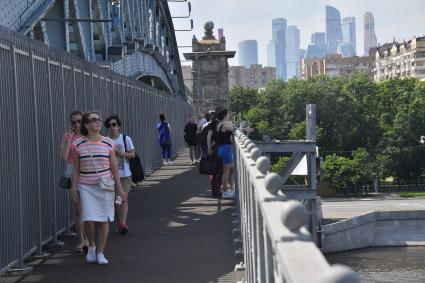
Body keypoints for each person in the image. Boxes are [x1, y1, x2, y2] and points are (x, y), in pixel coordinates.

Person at [70, 111, 125, 265]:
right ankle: (92, 246)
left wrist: (119, 188)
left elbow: (114, 167)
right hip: (86, 186)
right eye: (94, 120)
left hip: (105, 185)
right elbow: (75, 170)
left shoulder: (108, 143)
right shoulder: (78, 144)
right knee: (88, 217)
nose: (98, 122)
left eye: (99, 119)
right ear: (86, 125)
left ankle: (100, 252)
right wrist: (73, 189)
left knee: (104, 218)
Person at [59, 110, 88, 252]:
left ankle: (90, 239)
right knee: (78, 209)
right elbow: (64, 156)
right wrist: (70, 138)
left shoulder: (89, 134)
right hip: (72, 171)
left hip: (87, 171)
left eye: (79, 121)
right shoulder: (67, 136)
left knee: (88, 207)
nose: (76, 124)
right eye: (73, 122)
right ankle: (82, 240)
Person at [105, 115, 135, 235]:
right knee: (117, 200)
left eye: (114, 124)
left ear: (118, 126)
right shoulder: (105, 140)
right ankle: (120, 222)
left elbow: (133, 154)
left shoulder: (125, 139)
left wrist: (121, 153)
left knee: (123, 198)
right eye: (109, 125)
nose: (112, 127)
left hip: (125, 173)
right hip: (110, 174)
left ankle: (122, 223)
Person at [210, 108, 235, 199]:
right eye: (228, 114)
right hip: (226, 149)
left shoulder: (219, 125)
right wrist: (243, 127)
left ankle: (231, 189)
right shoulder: (225, 125)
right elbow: (234, 130)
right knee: (226, 172)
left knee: (231, 169)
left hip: (220, 149)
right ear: (225, 115)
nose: (229, 116)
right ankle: (225, 192)